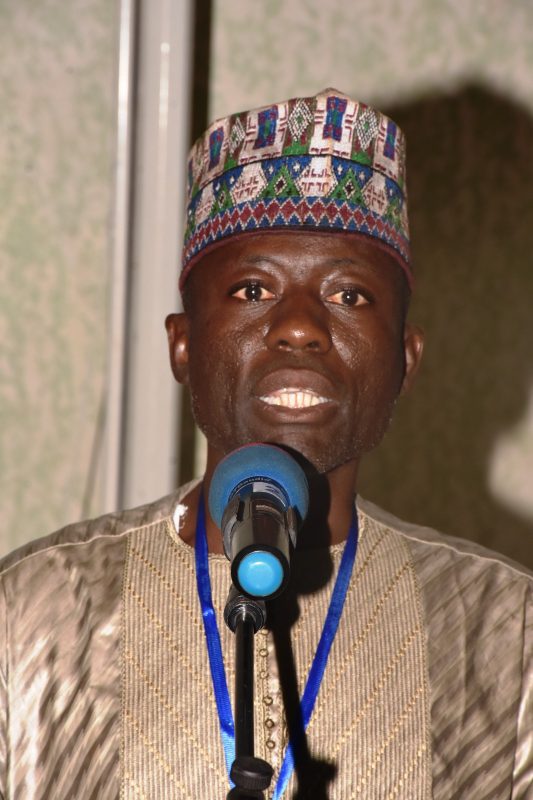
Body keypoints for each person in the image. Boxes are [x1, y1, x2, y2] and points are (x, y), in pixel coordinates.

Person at [0, 89, 530, 799]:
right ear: (183, 345)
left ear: (405, 360)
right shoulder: (36, 611)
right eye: (252, 291)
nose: (300, 327)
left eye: (349, 296)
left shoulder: (504, 630)